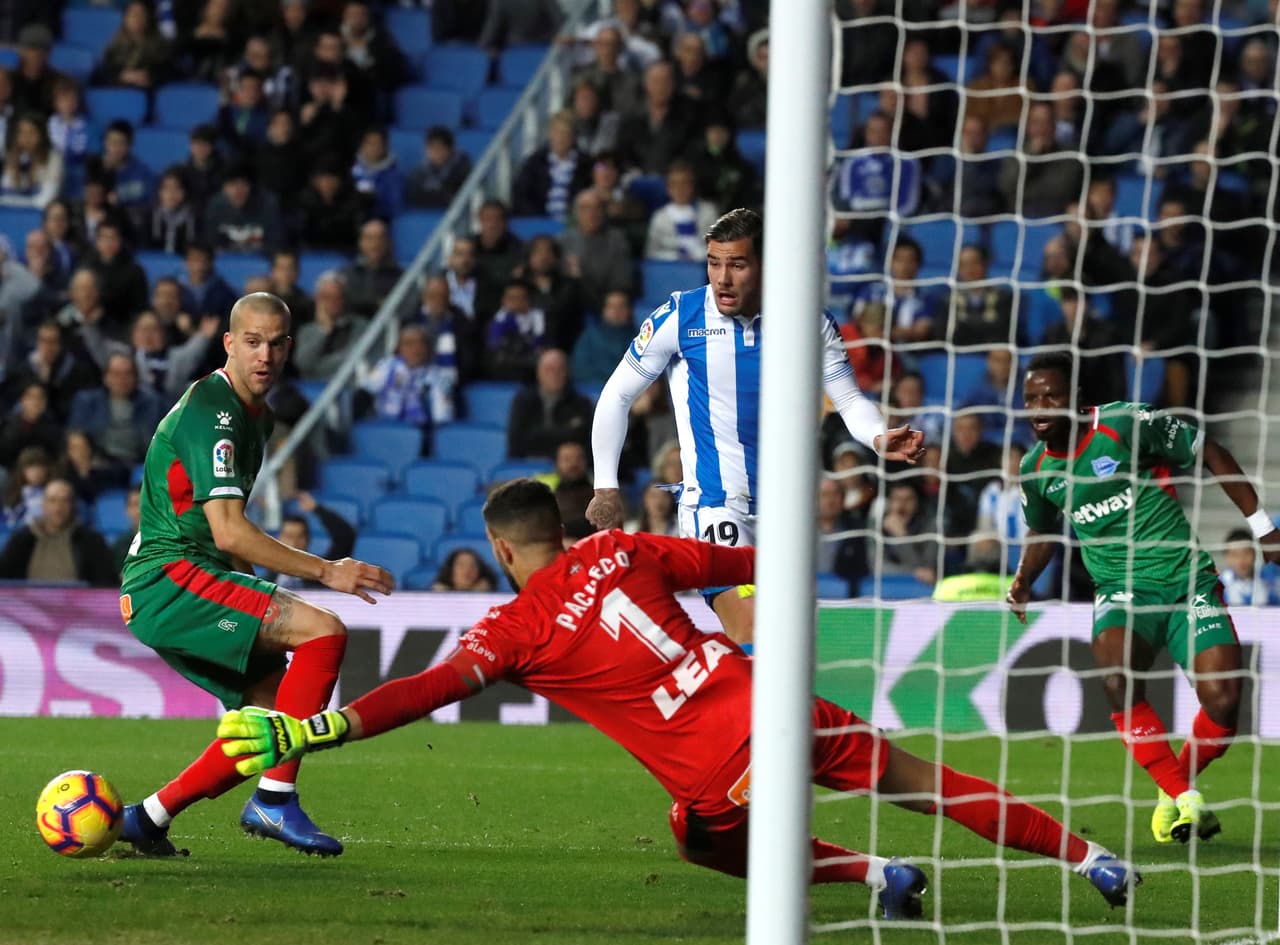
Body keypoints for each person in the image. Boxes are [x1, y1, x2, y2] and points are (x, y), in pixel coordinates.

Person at [215, 478, 1138, 913]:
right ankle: (1093, 856)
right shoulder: (628, 549)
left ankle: (869, 873)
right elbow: (749, 562)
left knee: (695, 838)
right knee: (925, 781)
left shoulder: (513, 627)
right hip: (782, 705)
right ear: (562, 528)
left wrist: (318, 727)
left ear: (501, 549)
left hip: (722, 771)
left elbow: (421, 691)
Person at [115, 292, 394, 858]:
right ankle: (274, 799)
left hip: (188, 577)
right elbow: (228, 531)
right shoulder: (214, 411)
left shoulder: (255, 418)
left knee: (267, 720)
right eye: (252, 342)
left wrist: (259, 594)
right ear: (229, 344)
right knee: (324, 630)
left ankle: (147, 819)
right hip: (168, 578)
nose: (264, 355)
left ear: (289, 347)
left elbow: (228, 537)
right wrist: (326, 571)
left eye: (276, 343)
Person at [586, 209, 924, 644]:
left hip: (787, 511)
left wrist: (878, 436)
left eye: (737, 264)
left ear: (765, 264)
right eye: (714, 263)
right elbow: (617, 394)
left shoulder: (807, 323)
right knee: (752, 628)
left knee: (784, 643)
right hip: (715, 504)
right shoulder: (681, 316)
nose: (722, 279)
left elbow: (849, 400)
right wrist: (606, 487)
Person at [1008, 350, 1280, 845]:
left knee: (1224, 702)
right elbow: (1042, 529)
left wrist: (1263, 528)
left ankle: (1172, 786)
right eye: (1030, 399)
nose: (1039, 408)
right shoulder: (1036, 468)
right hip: (1121, 591)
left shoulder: (1124, 424)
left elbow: (1209, 450)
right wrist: (1025, 578)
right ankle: (1185, 796)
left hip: (1186, 581)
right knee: (1116, 677)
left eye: (1050, 396)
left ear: (1076, 397)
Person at [0, 477, 118, 586]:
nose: (58, 507)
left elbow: (106, 582)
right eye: (53, 501)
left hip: (79, 602)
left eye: (65, 501)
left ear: (73, 505)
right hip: (28, 601)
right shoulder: (21, 540)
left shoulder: (92, 541)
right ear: (44, 505)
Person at [268, 492, 357, 591]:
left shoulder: (322, 573)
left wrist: (317, 509)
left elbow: (346, 537)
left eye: (300, 536)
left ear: (308, 539)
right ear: (279, 538)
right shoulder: (267, 580)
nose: (294, 542)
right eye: (289, 536)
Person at [430, 547, 498, 592]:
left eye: (472, 565)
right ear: (450, 570)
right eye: (461, 565)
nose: (467, 570)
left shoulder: (491, 598)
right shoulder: (434, 596)